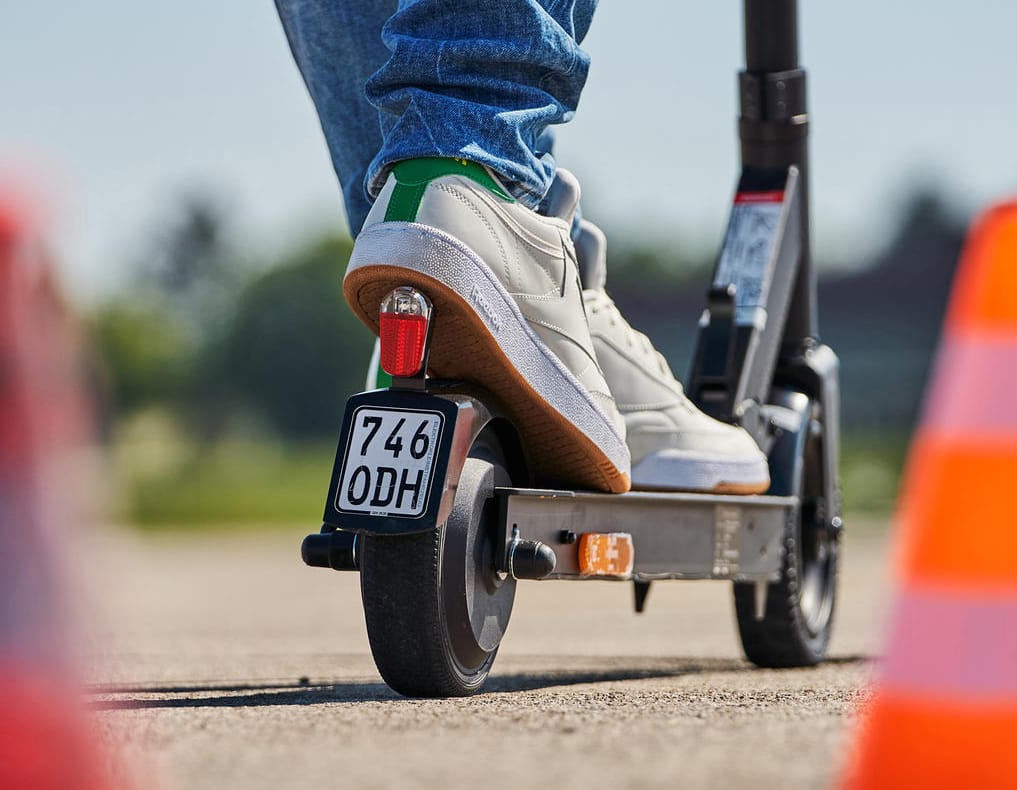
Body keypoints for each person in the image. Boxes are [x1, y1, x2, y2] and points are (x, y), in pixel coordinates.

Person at [275, 0, 769, 495]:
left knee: (428, 156)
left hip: (392, 222)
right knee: (473, 140)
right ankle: (479, 180)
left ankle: (438, 228)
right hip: (474, 186)